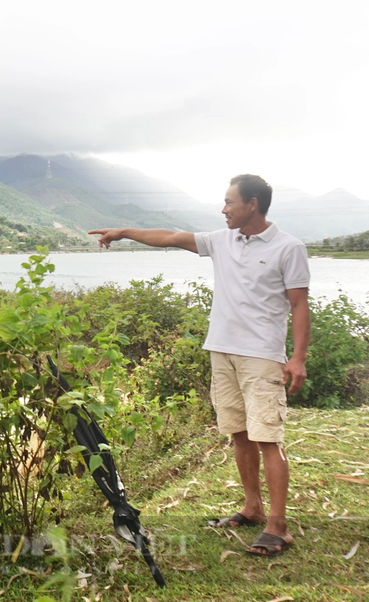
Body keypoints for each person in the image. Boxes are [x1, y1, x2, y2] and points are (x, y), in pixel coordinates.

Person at [88, 174, 310, 557]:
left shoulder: (288, 248)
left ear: (252, 204)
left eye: (229, 202)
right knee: (239, 433)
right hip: (221, 351)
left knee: (267, 438)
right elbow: (170, 237)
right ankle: (252, 508)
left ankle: (278, 526)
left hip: (261, 356)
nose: (224, 209)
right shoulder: (222, 240)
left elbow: (299, 304)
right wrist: (124, 232)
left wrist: (298, 358)